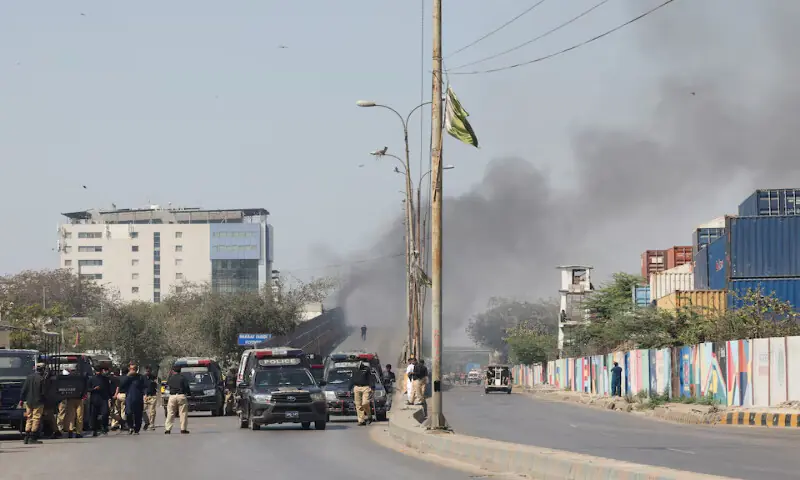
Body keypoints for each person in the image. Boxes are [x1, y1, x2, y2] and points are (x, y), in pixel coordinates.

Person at [19, 361, 46, 444]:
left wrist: (21, 399)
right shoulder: (41, 379)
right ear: (43, 370)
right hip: (38, 402)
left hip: (29, 401)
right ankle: (32, 437)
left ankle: (26, 437)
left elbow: (24, 390)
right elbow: (43, 392)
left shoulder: (29, 377)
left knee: (29, 418)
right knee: (36, 418)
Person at [117, 362, 146, 434]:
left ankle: (137, 429)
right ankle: (130, 427)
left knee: (138, 414)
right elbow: (121, 385)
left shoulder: (140, 377)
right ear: (129, 369)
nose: (133, 370)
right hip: (129, 398)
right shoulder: (126, 377)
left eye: (134, 369)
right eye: (132, 369)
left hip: (138, 398)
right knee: (128, 412)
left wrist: (145, 394)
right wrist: (128, 376)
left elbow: (145, 386)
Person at [164, 366, 190, 434]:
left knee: (170, 412)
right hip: (181, 396)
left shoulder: (171, 378)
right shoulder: (183, 378)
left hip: (172, 396)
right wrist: (188, 394)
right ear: (180, 371)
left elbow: (167, 386)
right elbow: (186, 387)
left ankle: (168, 429)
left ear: (173, 371)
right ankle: (183, 429)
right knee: (183, 413)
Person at [62, 367, 87, 438]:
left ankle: (70, 431)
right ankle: (78, 432)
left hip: (71, 399)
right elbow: (84, 388)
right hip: (79, 399)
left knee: (71, 416)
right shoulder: (81, 379)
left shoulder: (68, 379)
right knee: (79, 417)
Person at [89, 366, 112, 436]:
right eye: (97, 371)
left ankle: (104, 427)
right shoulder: (92, 379)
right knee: (94, 415)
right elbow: (87, 389)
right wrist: (94, 389)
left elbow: (108, 389)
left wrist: (110, 398)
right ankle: (94, 429)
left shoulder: (105, 379)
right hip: (94, 399)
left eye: (99, 371)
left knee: (105, 413)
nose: (98, 372)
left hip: (103, 399)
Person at [351, 361, 374, 426]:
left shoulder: (367, 369)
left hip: (365, 387)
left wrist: (372, 387)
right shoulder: (354, 370)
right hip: (357, 387)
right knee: (358, 405)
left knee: (365, 403)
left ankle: (369, 416)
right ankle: (361, 421)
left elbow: (370, 379)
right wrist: (349, 388)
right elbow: (352, 379)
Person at [142, 366, 159, 431]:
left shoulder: (154, 377)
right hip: (145, 396)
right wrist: (144, 394)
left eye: (149, 371)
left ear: (151, 371)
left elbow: (156, 386)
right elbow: (142, 387)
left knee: (152, 412)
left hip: (152, 396)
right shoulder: (142, 378)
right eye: (146, 371)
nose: (147, 372)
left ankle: (151, 424)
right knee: (142, 410)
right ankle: (147, 421)